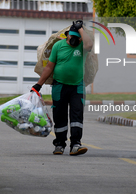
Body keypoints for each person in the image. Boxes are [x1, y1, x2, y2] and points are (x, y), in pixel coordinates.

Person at [32, 20, 93, 156]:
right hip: (59, 85)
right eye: (72, 36)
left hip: (77, 86)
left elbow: (89, 44)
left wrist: (81, 29)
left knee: (77, 115)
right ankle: (59, 144)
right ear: (67, 35)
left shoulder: (82, 46)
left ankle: (76, 144)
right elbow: (49, 66)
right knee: (59, 115)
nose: (74, 40)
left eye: (77, 37)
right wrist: (38, 85)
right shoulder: (58, 46)